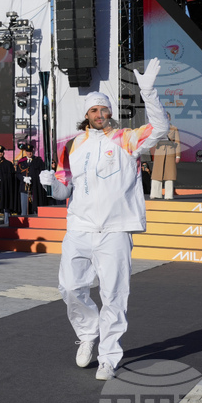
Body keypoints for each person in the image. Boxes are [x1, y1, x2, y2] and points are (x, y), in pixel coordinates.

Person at [39, 58, 166, 381]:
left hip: (115, 228)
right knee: (69, 287)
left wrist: (148, 91)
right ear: (86, 114)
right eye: (94, 110)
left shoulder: (126, 139)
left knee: (114, 294)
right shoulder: (71, 146)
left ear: (110, 112)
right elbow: (63, 189)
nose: (99, 115)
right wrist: (50, 184)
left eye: (103, 109)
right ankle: (87, 333)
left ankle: (109, 356)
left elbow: (161, 128)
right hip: (79, 226)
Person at [149, 113, 181, 200]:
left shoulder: (174, 128)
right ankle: (155, 194)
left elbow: (177, 142)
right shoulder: (157, 129)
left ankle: (168, 195)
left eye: (167, 117)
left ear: (169, 118)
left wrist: (178, 156)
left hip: (170, 151)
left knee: (169, 175)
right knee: (156, 174)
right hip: (159, 152)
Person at [14, 142, 48, 216]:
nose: (29, 153)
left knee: (35, 207)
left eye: (31, 151)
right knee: (24, 209)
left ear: (33, 151)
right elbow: (18, 173)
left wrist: (33, 179)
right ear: (26, 152)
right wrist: (23, 179)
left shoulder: (38, 161)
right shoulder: (21, 162)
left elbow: (41, 173)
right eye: (28, 151)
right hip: (24, 188)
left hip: (35, 188)